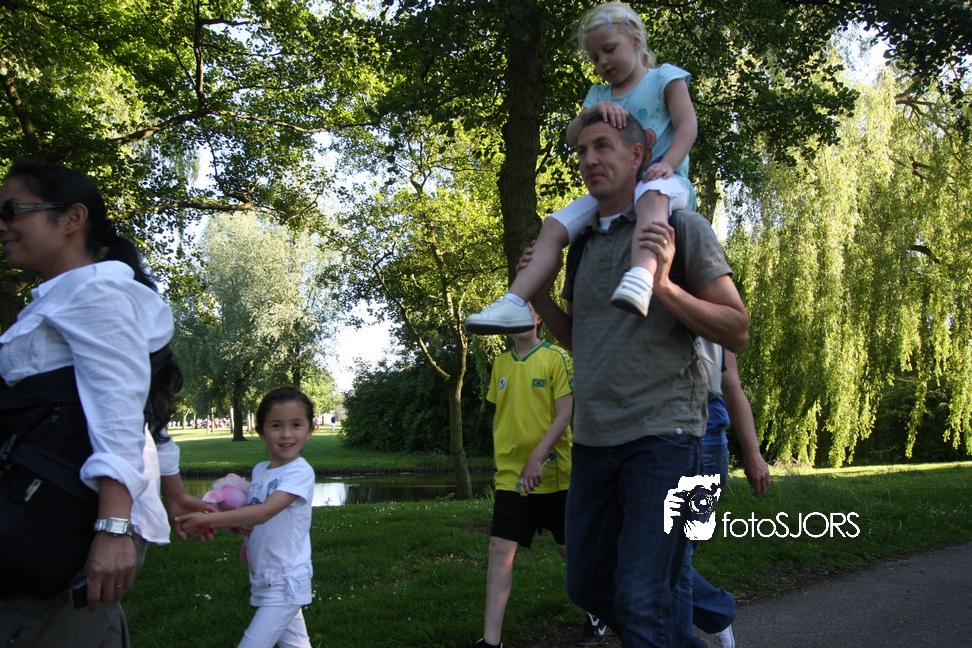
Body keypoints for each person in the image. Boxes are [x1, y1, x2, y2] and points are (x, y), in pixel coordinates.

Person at [527, 110, 748, 648]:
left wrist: (665, 285)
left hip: (664, 439)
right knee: (586, 584)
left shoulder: (680, 228)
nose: (589, 159)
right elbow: (582, 341)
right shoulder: (580, 246)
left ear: (637, 156)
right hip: (594, 440)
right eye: (582, 151)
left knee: (642, 600)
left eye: (602, 146)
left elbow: (736, 329)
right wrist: (540, 296)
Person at [0, 159, 214, 647]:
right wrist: (173, 490)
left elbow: (119, 411)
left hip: (65, 516)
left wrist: (114, 529)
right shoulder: (70, 296)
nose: (2, 226)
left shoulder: (93, 294)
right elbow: (141, 408)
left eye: (12, 210)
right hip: (55, 508)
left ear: (72, 218)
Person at [466, 1, 698, 334]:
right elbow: (573, 135)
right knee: (553, 225)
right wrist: (594, 111)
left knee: (651, 195)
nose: (603, 62)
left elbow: (687, 125)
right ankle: (514, 302)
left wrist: (669, 166)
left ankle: (641, 278)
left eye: (609, 50)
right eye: (594, 57)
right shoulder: (599, 94)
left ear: (635, 39)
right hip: (618, 193)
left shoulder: (664, 79)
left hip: (663, 182)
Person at [472, 308, 601, 648]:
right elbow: (499, 415)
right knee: (500, 549)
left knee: (569, 549)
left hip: (554, 474)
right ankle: (491, 642)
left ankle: (598, 609)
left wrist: (537, 457)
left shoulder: (557, 357)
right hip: (511, 477)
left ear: (539, 318)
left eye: (526, 311)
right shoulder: (500, 364)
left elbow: (564, 414)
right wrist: (499, 456)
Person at [177, 387, 316, 648]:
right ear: (261, 431)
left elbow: (265, 512)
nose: (286, 434)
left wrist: (208, 521)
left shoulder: (300, 472)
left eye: (296, 425)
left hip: (285, 581)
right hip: (264, 576)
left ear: (310, 430)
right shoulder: (261, 470)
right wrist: (239, 522)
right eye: (276, 425)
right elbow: (254, 510)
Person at [682, 341, 770, 647]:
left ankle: (712, 615)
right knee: (659, 554)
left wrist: (753, 454)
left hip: (704, 449)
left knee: (670, 554)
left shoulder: (710, 324)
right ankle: (715, 613)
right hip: (654, 449)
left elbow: (732, 385)